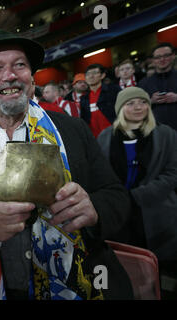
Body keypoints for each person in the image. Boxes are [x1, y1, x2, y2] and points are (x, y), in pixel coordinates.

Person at [0, 8, 133, 300]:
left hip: (85, 284)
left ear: (31, 78)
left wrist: (94, 208)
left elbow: (118, 197)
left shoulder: (72, 129)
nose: (10, 76)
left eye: (19, 65)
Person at [97, 87, 177, 290]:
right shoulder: (105, 138)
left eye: (142, 102)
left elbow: (172, 174)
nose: (138, 107)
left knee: (162, 270)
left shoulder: (166, 134)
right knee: (129, 271)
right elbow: (100, 175)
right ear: (120, 108)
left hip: (157, 213)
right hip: (120, 216)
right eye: (130, 103)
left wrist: (136, 196)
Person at [138, 43, 177, 131]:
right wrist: (151, 101)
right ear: (153, 60)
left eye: (166, 55)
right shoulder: (143, 83)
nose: (162, 59)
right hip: (157, 133)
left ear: (173, 56)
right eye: (158, 57)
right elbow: (136, 108)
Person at [80, 64, 121, 137]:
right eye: (88, 74)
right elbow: (84, 120)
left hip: (115, 134)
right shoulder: (84, 98)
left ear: (102, 75)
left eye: (95, 73)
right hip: (95, 139)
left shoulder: (113, 90)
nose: (91, 76)